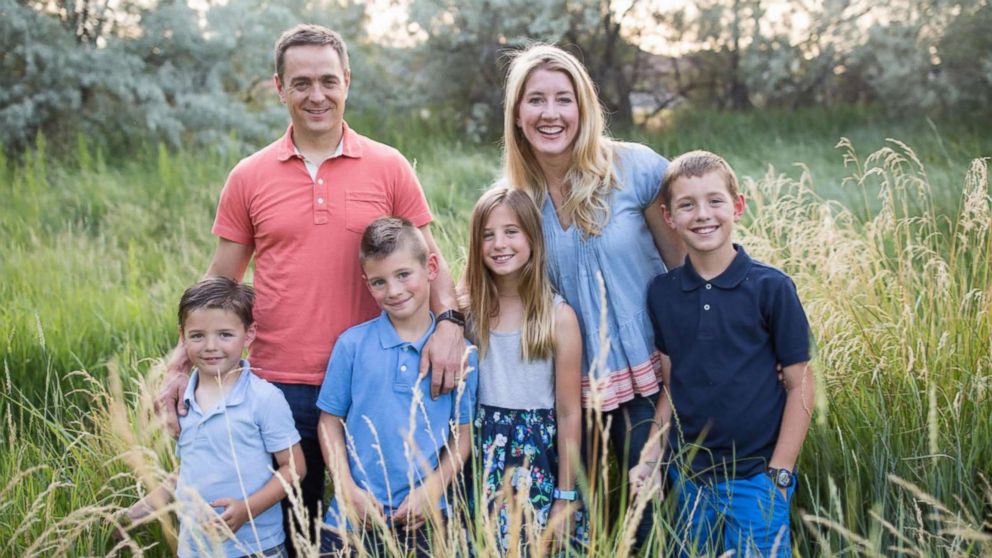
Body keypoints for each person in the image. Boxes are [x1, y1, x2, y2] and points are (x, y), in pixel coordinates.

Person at [155, 24, 468, 551]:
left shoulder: (389, 166)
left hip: (373, 381)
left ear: (347, 80)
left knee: (367, 528)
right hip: (279, 385)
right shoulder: (249, 176)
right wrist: (178, 361)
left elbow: (428, 261)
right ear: (279, 88)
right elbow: (220, 281)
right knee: (293, 530)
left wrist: (451, 325)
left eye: (328, 80)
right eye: (300, 83)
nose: (316, 95)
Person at [499, 43, 685, 545]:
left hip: (652, 382)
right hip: (569, 395)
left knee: (651, 522)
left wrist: (751, 334)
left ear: (583, 106)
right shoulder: (516, 202)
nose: (551, 113)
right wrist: (449, 325)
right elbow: (489, 288)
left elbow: (690, 268)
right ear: (518, 115)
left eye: (564, 99)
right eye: (536, 100)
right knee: (594, 530)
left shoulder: (635, 169)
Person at [630, 150, 815, 557]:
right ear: (669, 217)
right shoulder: (663, 293)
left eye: (715, 201)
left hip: (756, 480)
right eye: (687, 205)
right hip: (692, 478)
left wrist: (780, 472)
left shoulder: (772, 289)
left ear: (737, 206)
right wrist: (651, 457)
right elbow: (672, 384)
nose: (702, 214)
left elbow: (800, 384)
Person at [316, 217, 478, 557]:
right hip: (353, 518)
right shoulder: (352, 345)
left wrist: (432, 490)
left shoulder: (458, 355)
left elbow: (463, 435)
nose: (393, 291)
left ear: (431, 266)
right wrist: (346, 489)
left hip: (426, 517)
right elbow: (329, 422)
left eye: (404, 275)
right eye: (379, 282)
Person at [129, 277, 306, 557]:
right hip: (195, 546)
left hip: (256, 546)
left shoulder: (263, 398)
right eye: (197, 336)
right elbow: (190, 468)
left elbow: (294, 468)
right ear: (183, 336)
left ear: (248, 335)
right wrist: (140, 510)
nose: (211, 346)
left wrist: (248, 510)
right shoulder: (182, 400)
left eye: (225, 334)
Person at [461, 187, 586, 554]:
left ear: (533, 237)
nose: (499, 244)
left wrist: (564, 496)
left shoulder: (557, 317)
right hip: (481, 455)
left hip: (537, 458)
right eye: (488, 235)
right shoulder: (470, 314)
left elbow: (568, 412)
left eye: (511, 231)